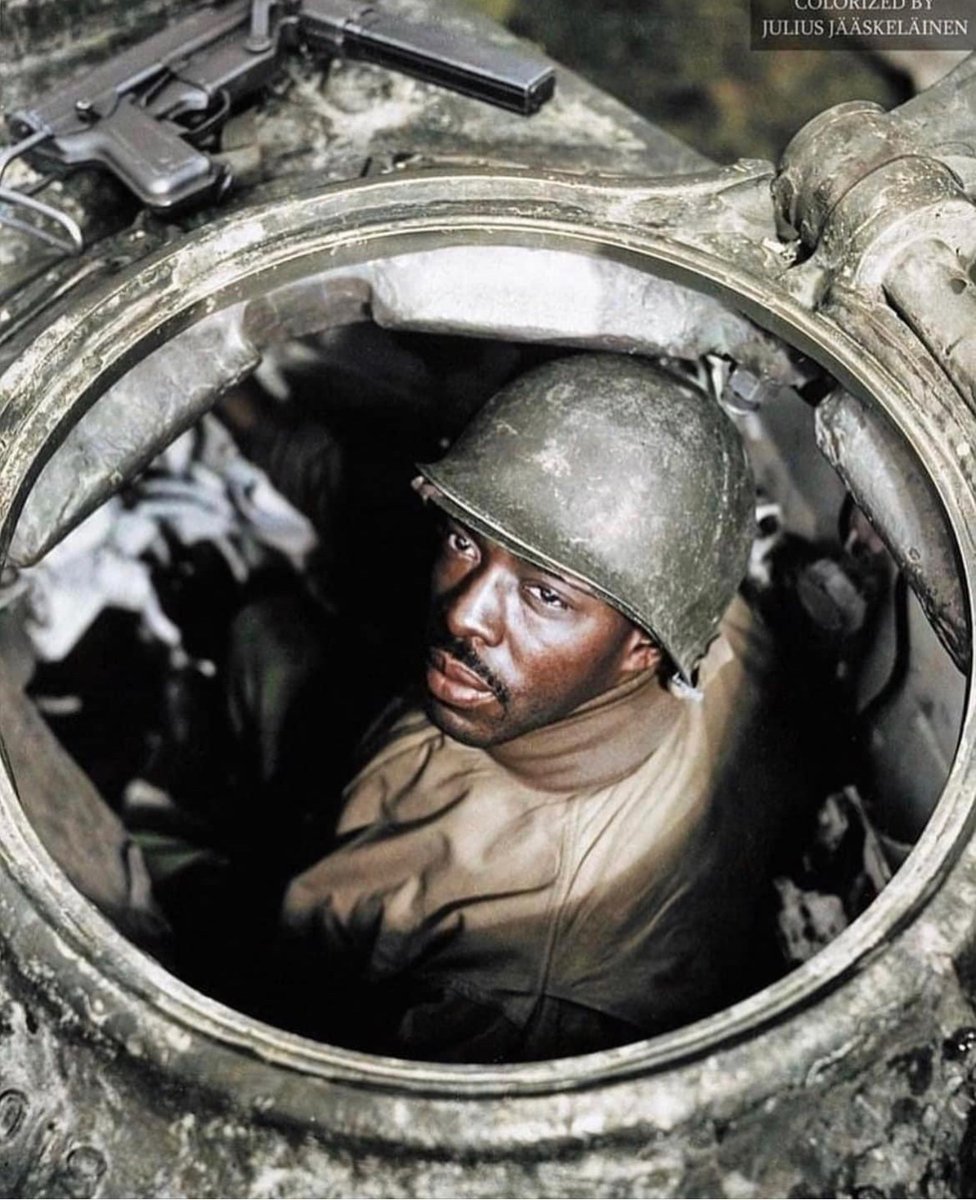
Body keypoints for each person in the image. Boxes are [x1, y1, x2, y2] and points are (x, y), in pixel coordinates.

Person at [273, 352, 806, 1063]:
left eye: (545, 595)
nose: (466, 613)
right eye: (464, 541)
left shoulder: (521, 994)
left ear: (643, 648)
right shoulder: (695, 607)